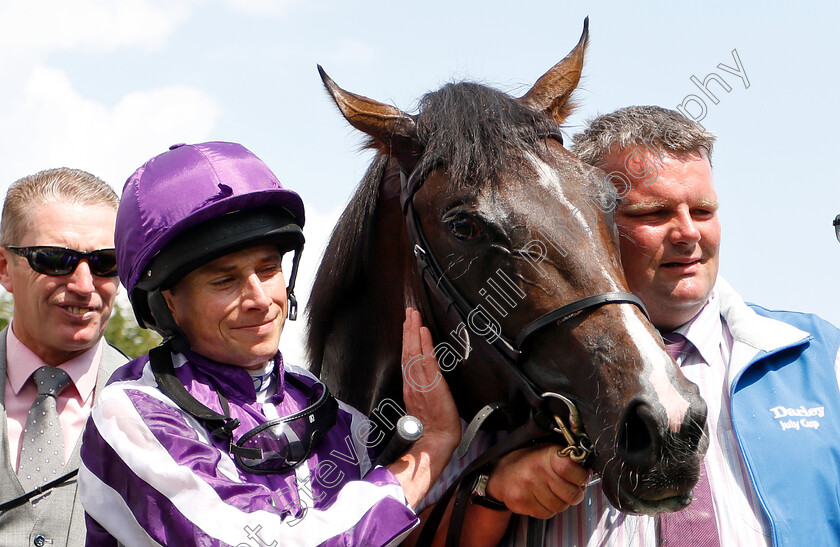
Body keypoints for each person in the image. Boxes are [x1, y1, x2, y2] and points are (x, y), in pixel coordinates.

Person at [421, 106, 840, 546]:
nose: (687, 233)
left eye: (702, 211)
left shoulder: (821, 359)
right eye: (653, 214)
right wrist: (491, 489)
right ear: (589, 226)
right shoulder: (503, 377)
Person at [78, 141, 461, 546]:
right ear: (165, 305)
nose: (261, 299)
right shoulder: (132, 415)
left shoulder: (333, 412)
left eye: (269, 268)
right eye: (224, 280)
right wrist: (430, 449)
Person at [0, 168, 127, 547]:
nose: (84, 286)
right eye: (55, 259)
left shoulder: (163, 410)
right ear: (5, 268)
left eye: (105, 262)